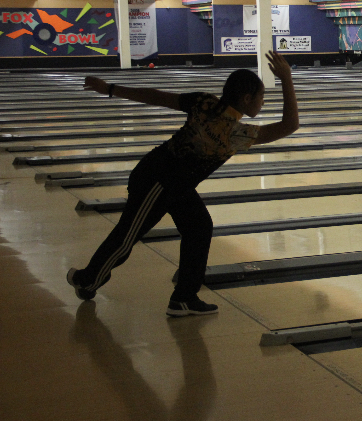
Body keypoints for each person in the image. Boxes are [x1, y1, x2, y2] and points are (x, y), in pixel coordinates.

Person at [67, 51, 299, 317]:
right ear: (247, 99)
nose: (262, 102)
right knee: (128, 235)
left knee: (199, 227)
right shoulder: (238, 133)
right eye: (262, 97)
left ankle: (184, 298)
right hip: (159, 180)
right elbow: (290, 124)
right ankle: (87, 279)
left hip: (174, 184)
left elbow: (158, 97)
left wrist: (111, 89)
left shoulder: (204, 102)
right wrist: (286, 79)